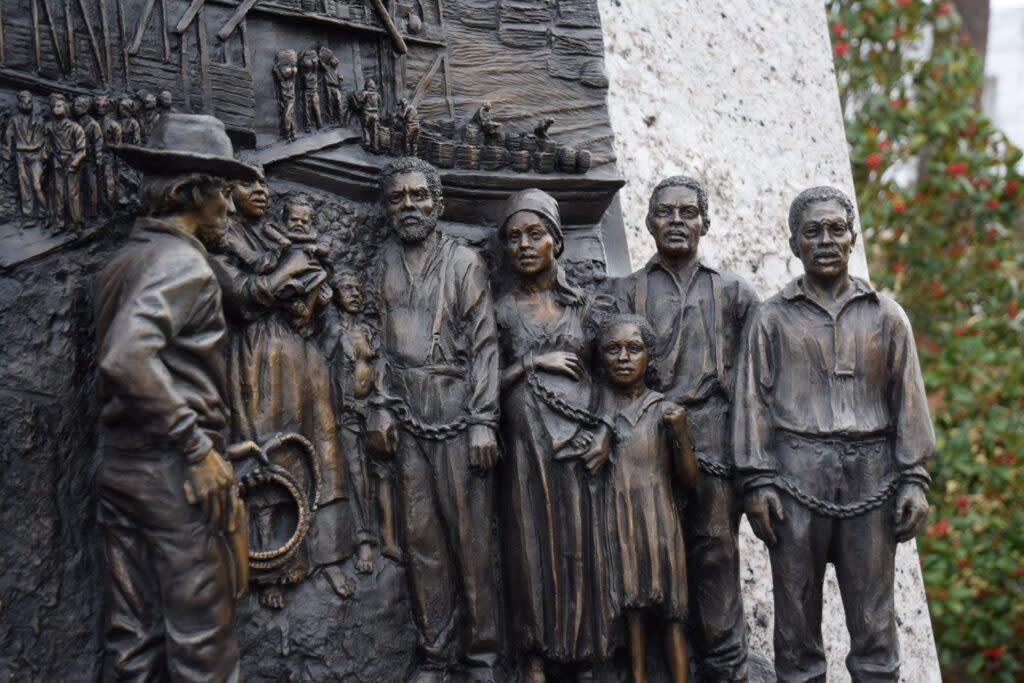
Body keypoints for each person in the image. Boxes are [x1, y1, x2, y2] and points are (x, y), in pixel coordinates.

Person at [733, 186, 933, 683]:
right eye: (812, 231)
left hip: (872, 477)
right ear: (794, 243)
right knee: (796, 627)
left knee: (874, 627)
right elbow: (752, 401)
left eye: (836, 229)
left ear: (853, 238)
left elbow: (908, 402)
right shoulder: (770, 318)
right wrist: (756, 481)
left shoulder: (887, 316)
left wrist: (914, 477)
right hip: (795, 475)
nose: (825, 240)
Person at [93, 113, 257, 681]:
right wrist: (197, 448)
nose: (232, 210)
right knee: (202, 647)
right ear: (191, 193)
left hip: (120, 467)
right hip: (175, 478)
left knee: (132, 643)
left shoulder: (122, 260)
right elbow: (125, 357)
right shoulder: (182, 262)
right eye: (224, 196)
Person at [609, 175, 758, 681]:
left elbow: (755, 384)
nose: (676, 222)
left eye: (687, 213)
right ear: (648, 223)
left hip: (712, 437)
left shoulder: (734, 292)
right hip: (642, 439)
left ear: (705, 223)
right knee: (645, 558)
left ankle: (724, 665)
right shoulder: (625, 291)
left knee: (713, 550)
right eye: (665, 213)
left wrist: (754, 463)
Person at [365, 157, 500, 683]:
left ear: (437, 204)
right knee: (422, 542)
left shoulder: (463, 262)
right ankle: (435, 653)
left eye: (419, 196)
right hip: (405, 414)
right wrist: (378, 405)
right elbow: (375, 342)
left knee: (471, 542)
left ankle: (483, 657)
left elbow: (486, 344)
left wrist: (484, 418)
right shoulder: (383, 263)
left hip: (455, 411)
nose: (409, 206)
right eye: (398, 198)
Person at [209, 180, 350, 609]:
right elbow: (246, 298)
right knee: (269, 454)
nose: (260, 190)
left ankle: (324, 554)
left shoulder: (272, 235)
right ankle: (268, 565)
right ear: (225, 192)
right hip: (256, 359)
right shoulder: (220, 240)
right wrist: (289, 273)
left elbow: (305, 288)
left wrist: (307, 289)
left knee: (319, 448)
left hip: (299, 354)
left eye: (264, 183)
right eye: (246, 183)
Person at [493, 189, 613, 682]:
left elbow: (617, 379)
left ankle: (586, 655)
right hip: (525, 451)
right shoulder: (500, 311)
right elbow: (479, 382)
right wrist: (529, 362)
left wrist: (606, 432)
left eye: (535, 234)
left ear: (556, 243)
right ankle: (535, 657)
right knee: (529, 550)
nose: (525, 245)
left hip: (581, 449)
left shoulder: (585, 309)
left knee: (582, 547)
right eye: (515, 237)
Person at [598, 314, 696, 683]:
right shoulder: (601, 413)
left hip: (660, 521)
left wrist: (681, 436)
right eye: (613, 349)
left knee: (673, 614)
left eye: (633, 349)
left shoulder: (663, 410)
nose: (623, 357)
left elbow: (688, 478)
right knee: (633, 613)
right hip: (621, 521)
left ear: (649, 357)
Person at [323, 269, 384, 567]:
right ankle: (364, 542)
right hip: (346, 415)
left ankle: (388, 538)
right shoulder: (333, 332)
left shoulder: (368, 331)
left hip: (372, 410)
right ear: (335, 294)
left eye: (358, 288)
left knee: (379, 474)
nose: (355, 293)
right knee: (356, 475)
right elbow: (323, 372)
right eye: (347, 288)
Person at [3, 90, 48, 218]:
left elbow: (46, 139)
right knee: (24, 186)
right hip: (20, 155)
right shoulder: (14, 120)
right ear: (19, 104)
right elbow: (8, 140)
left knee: (37, 185)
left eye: (29, 102)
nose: (27, 104)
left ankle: (44, 212)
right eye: (24, 102)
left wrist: (44, 154)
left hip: (36, 155)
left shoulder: (39, 119)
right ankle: (29, 216)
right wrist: (6, 160)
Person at [45, 94, 87, 231]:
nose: (55, 109)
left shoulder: (75, 128)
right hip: (56, 161)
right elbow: (46, 145)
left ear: (66, 107)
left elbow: (82, 150)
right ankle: (60, 223)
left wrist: (75, 163)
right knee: (58, 192)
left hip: (71, 161)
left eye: (59, 106)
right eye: (54, 107)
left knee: (72, 193)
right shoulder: (49, 126)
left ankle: (76, 224)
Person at [72, 95, 104, 219]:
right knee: (79, 187)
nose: (75, 108)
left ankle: (93, 213)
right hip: (77, 160)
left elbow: (98, 143)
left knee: (91, 187)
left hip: (90, 161)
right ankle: (81, 212)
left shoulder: (93, 125)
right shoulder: (75, 123)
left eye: (79, 106)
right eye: (75, 105)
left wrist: (98, 161)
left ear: (86, 107)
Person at [95, 94, 122, 212]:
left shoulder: (113, 125)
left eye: (103, 106)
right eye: (98, 106)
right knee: (98, 181)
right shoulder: (94, 122)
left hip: (108, 156)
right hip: (95, 156)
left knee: (108, 181)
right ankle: (103, 205)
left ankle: (111, 206)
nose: (101, 108)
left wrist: (117, 160)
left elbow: (118, 145)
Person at [274, 50, 298, 141]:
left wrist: (292, 66)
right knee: (288, 116)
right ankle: (292, 133)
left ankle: (288, 134)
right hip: (284, 101)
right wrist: (279, 64)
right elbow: (276, 70)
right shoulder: (282, 81)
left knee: (287, 116)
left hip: (291, 100)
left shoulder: (292, 81)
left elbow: (294, 72)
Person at [318, 46, 346, 124]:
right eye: (333, 60)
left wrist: (340, 78)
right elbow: (321, 63)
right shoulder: (327, 68)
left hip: (336, 88)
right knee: (330, 103)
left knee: (339, 103)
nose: (335, 61)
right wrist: (320, 55)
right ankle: (331, 119)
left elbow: (341, 79)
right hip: (329, 87)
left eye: (336, 61)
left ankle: (340, 119)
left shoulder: (338, 71)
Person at [352, 79, 380, 150]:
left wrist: (355, 95)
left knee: (366, 128)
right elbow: (380, 103)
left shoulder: (364, 93)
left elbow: (360, 101)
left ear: (366, 86)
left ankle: (367, 144)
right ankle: (375, 146)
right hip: (375, 114)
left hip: (366, 114)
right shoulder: (377, 94)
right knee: (375, 131)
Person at [300, 49, 323, 131]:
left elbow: (316, 66)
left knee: (317, 108)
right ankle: (308, 126)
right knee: (307, 110)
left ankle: (319, 124)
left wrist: (314, 60)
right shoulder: (304, 73)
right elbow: (301, 65)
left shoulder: (314, 72)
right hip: (306, 92)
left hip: (314, 92)